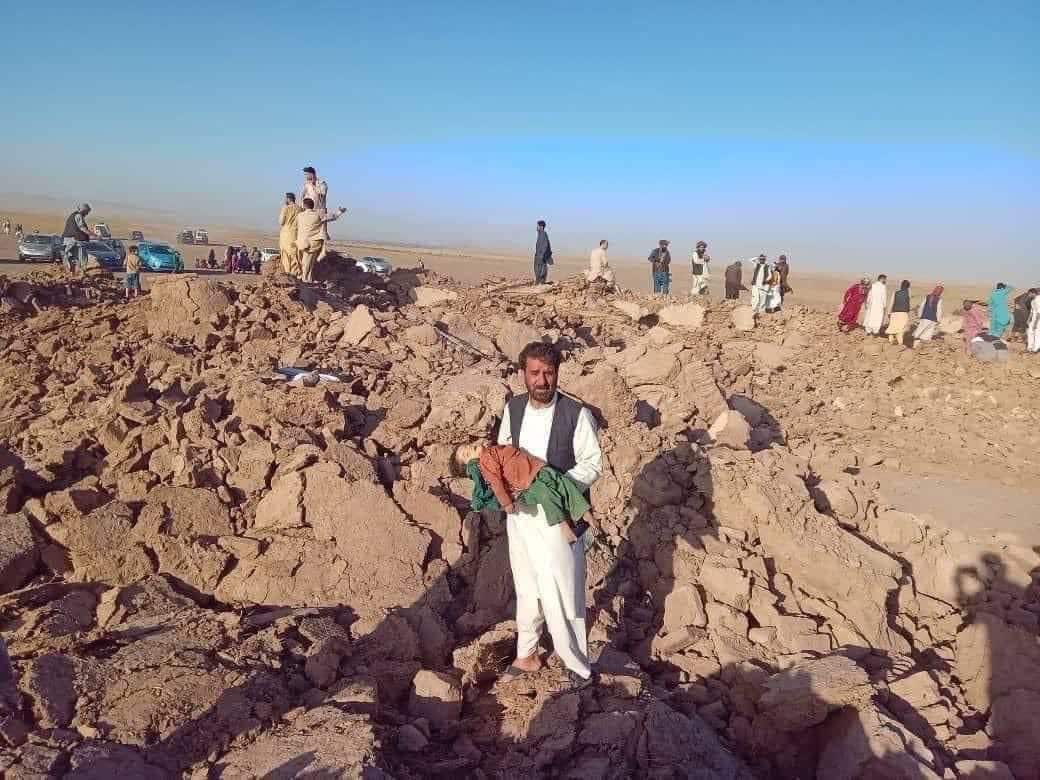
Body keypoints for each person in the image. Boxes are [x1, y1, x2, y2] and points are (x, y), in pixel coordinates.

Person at [497, 341, 601, 689]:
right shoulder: (512, 409)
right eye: (535, 373)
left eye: (549, 373)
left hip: (559, 522)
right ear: (522, 375)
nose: (542, 381)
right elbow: (504, 452)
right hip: (521, 518)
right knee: (527, 587)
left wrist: (555, 484)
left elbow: (592, 463)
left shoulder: (576, 414)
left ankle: (577, 665)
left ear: (558, 374)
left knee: (562, 591)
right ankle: (526, 654)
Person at [454, 441, 591, 544]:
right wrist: (506, 503)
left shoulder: (491, 451)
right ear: (471, 464)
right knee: (547, 494)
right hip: (528, 481)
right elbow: (495, 483)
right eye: (466, 454)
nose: (469, 448)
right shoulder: (484, 461)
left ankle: (584, 512)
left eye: (467, 445)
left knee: (562, 482)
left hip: (536, 469)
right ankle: (565, 527)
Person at [295, 198, 346, 283]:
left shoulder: (300, 215)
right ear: (313, 206)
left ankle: (307, 278)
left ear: (304, 205)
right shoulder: (317, 215)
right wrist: (339, 212)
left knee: (307, 262)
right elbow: (332, 217)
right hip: (313, 243)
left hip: (302, 242)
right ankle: (305, 278)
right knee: (309, 262)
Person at [61, 203, 92, 273]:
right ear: (84, 210)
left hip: (68, 239)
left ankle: (70, 272)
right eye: (87, 212)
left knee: (70, 256)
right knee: (82, 256)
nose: (87, 214)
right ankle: (82, 271)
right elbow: (82, 228)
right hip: (76, 240)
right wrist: (94, 235)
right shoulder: (78, 216)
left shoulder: (72, 216)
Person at [278, 193, 301, 276]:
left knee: (285, 253)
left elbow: (281, 222)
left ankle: (287, 272)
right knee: (295, 253)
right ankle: (295, 272)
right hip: (296, 233)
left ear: (288, 199)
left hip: (286, 233)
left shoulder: (286, 208)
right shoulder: (300, 208)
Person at [887, 280, 912, 345]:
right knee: (901, 328)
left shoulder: (895, 293)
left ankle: (890, 341)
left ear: (901, 285)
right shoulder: (908, 293)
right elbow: (908, 304)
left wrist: (889, 312)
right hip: (904, 313)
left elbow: (891, 303)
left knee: (892, 327)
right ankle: (900, 343)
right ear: (908, 287)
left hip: (895, 312)